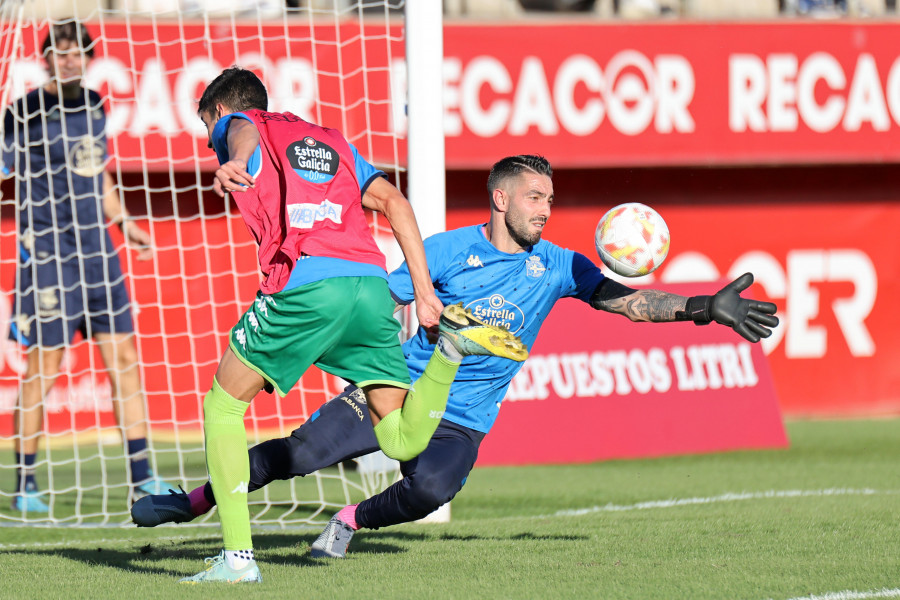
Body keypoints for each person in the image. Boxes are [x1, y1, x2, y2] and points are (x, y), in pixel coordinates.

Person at [133, 154, 778, 564]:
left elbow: (630, 305)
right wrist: (361, 356)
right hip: (401, 389)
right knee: (301, 454)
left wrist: (700, 308)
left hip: (464, 416)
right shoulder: (445, 251)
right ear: (500, 199)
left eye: (550, 200)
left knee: (431, 490)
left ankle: (348, 520)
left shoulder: (560, 267)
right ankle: (187, 503)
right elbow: (377, 301)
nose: (546, 210)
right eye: (535, 198)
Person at [176, 68, 527, 584]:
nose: (212, 139)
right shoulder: (332, 141)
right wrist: (425, 295)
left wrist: (231, 157)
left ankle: (236, 561)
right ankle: (449, 354)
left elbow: (242, 129)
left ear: (217, 112)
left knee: (224, 403)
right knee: (402, 440)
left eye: (208, 128)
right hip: (369, 286)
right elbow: (395, 204)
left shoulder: (241, 122)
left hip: (309, 284)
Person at [1, 21, 175, 514]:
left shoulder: (96, 106)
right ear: (47, 58)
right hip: (50, 259)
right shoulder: (24, 111)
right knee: (45, 366)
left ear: (87, 58)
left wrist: (124, 222)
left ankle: (144, 479)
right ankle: (25, 483)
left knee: (125, 362)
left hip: (99, 254)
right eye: (61, 52)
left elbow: (96, 174)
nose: (70, 60)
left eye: (78, 52)